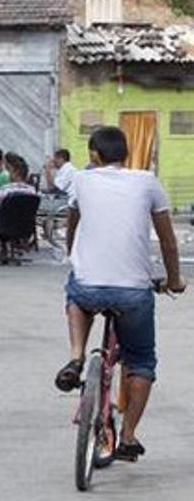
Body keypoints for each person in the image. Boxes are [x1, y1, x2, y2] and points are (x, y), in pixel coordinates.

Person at [54, 127, 186, 462]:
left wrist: (75, 256)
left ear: (94, 155)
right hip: (133, 292)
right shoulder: (147, 181)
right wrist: (174, 280)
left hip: (89, 286)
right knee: (141, 361)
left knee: (76, 291)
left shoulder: (81, 181)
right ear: (126, 154)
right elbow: (168, 242)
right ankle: (127, 436)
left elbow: (72, 226)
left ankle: (77, 356)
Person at [39, 149, 77, 243]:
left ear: (61, 159)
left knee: (37, 204)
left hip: (66, 201)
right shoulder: (63, 170)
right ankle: (46, 232)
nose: (53, 162)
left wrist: (47, 171)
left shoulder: (69, 170)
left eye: (55, 159)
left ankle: (48, 232)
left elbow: (53, 187)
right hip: (62, 198)